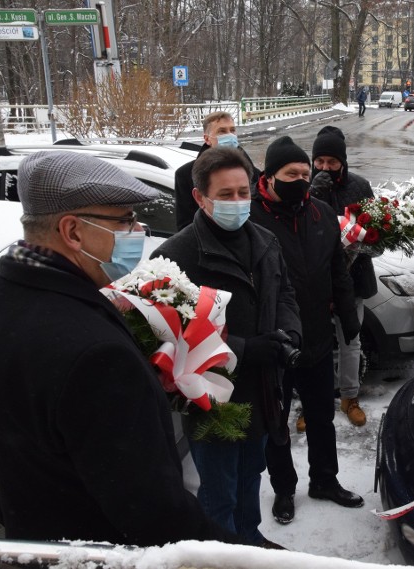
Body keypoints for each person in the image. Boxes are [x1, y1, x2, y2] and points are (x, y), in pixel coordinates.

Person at [0, 151, 239, 546]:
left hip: (33, 537)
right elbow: (157, 516)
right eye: (124, 219)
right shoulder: (95, 355)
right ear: (73, 232)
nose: (138, 228)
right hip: (100, 549)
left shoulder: (11, 297)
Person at [151, 147, 302, 548]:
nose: (238, 202)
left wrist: (290, 334)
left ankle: (248, 537)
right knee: (219, 489)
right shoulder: (175, 256)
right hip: (211, 397)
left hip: (262, 388)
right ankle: (220, 552)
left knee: (252, 472)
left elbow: (284, 293)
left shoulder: (265, 241)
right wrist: (243, 348)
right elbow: (169, 334)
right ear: (200, 198)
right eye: (226, 194)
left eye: (244, 192)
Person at [254, 136, 364, 526]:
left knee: (321, 415)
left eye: (306, 172)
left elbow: (338, 271)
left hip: (316, 334)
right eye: (291, 173)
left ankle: (325, 480)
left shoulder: (320, 214)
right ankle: (284, 488)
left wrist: (348, 319)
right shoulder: (252, 218)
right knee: (277, 420)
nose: (301, 179)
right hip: (276, 340)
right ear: (270, 177)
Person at [309, 125, 377, 428]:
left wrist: (359, 246)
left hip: (353, 280)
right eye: (319, 161)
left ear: (343, 162)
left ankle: (350, 397)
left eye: (332, 163)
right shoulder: (306, 186)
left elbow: (376, 235)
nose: (325, 168)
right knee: (314, 343)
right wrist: (314, 193)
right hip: (314, 283)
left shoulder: (359, 186)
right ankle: (311, 403)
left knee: (351, 340)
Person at [174, 111, 261, 230]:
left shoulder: (251, 171)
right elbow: (186, 224)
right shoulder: (185, 174)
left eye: (232, 130)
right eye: (222, 131)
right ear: (207, 139)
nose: (230, 135)